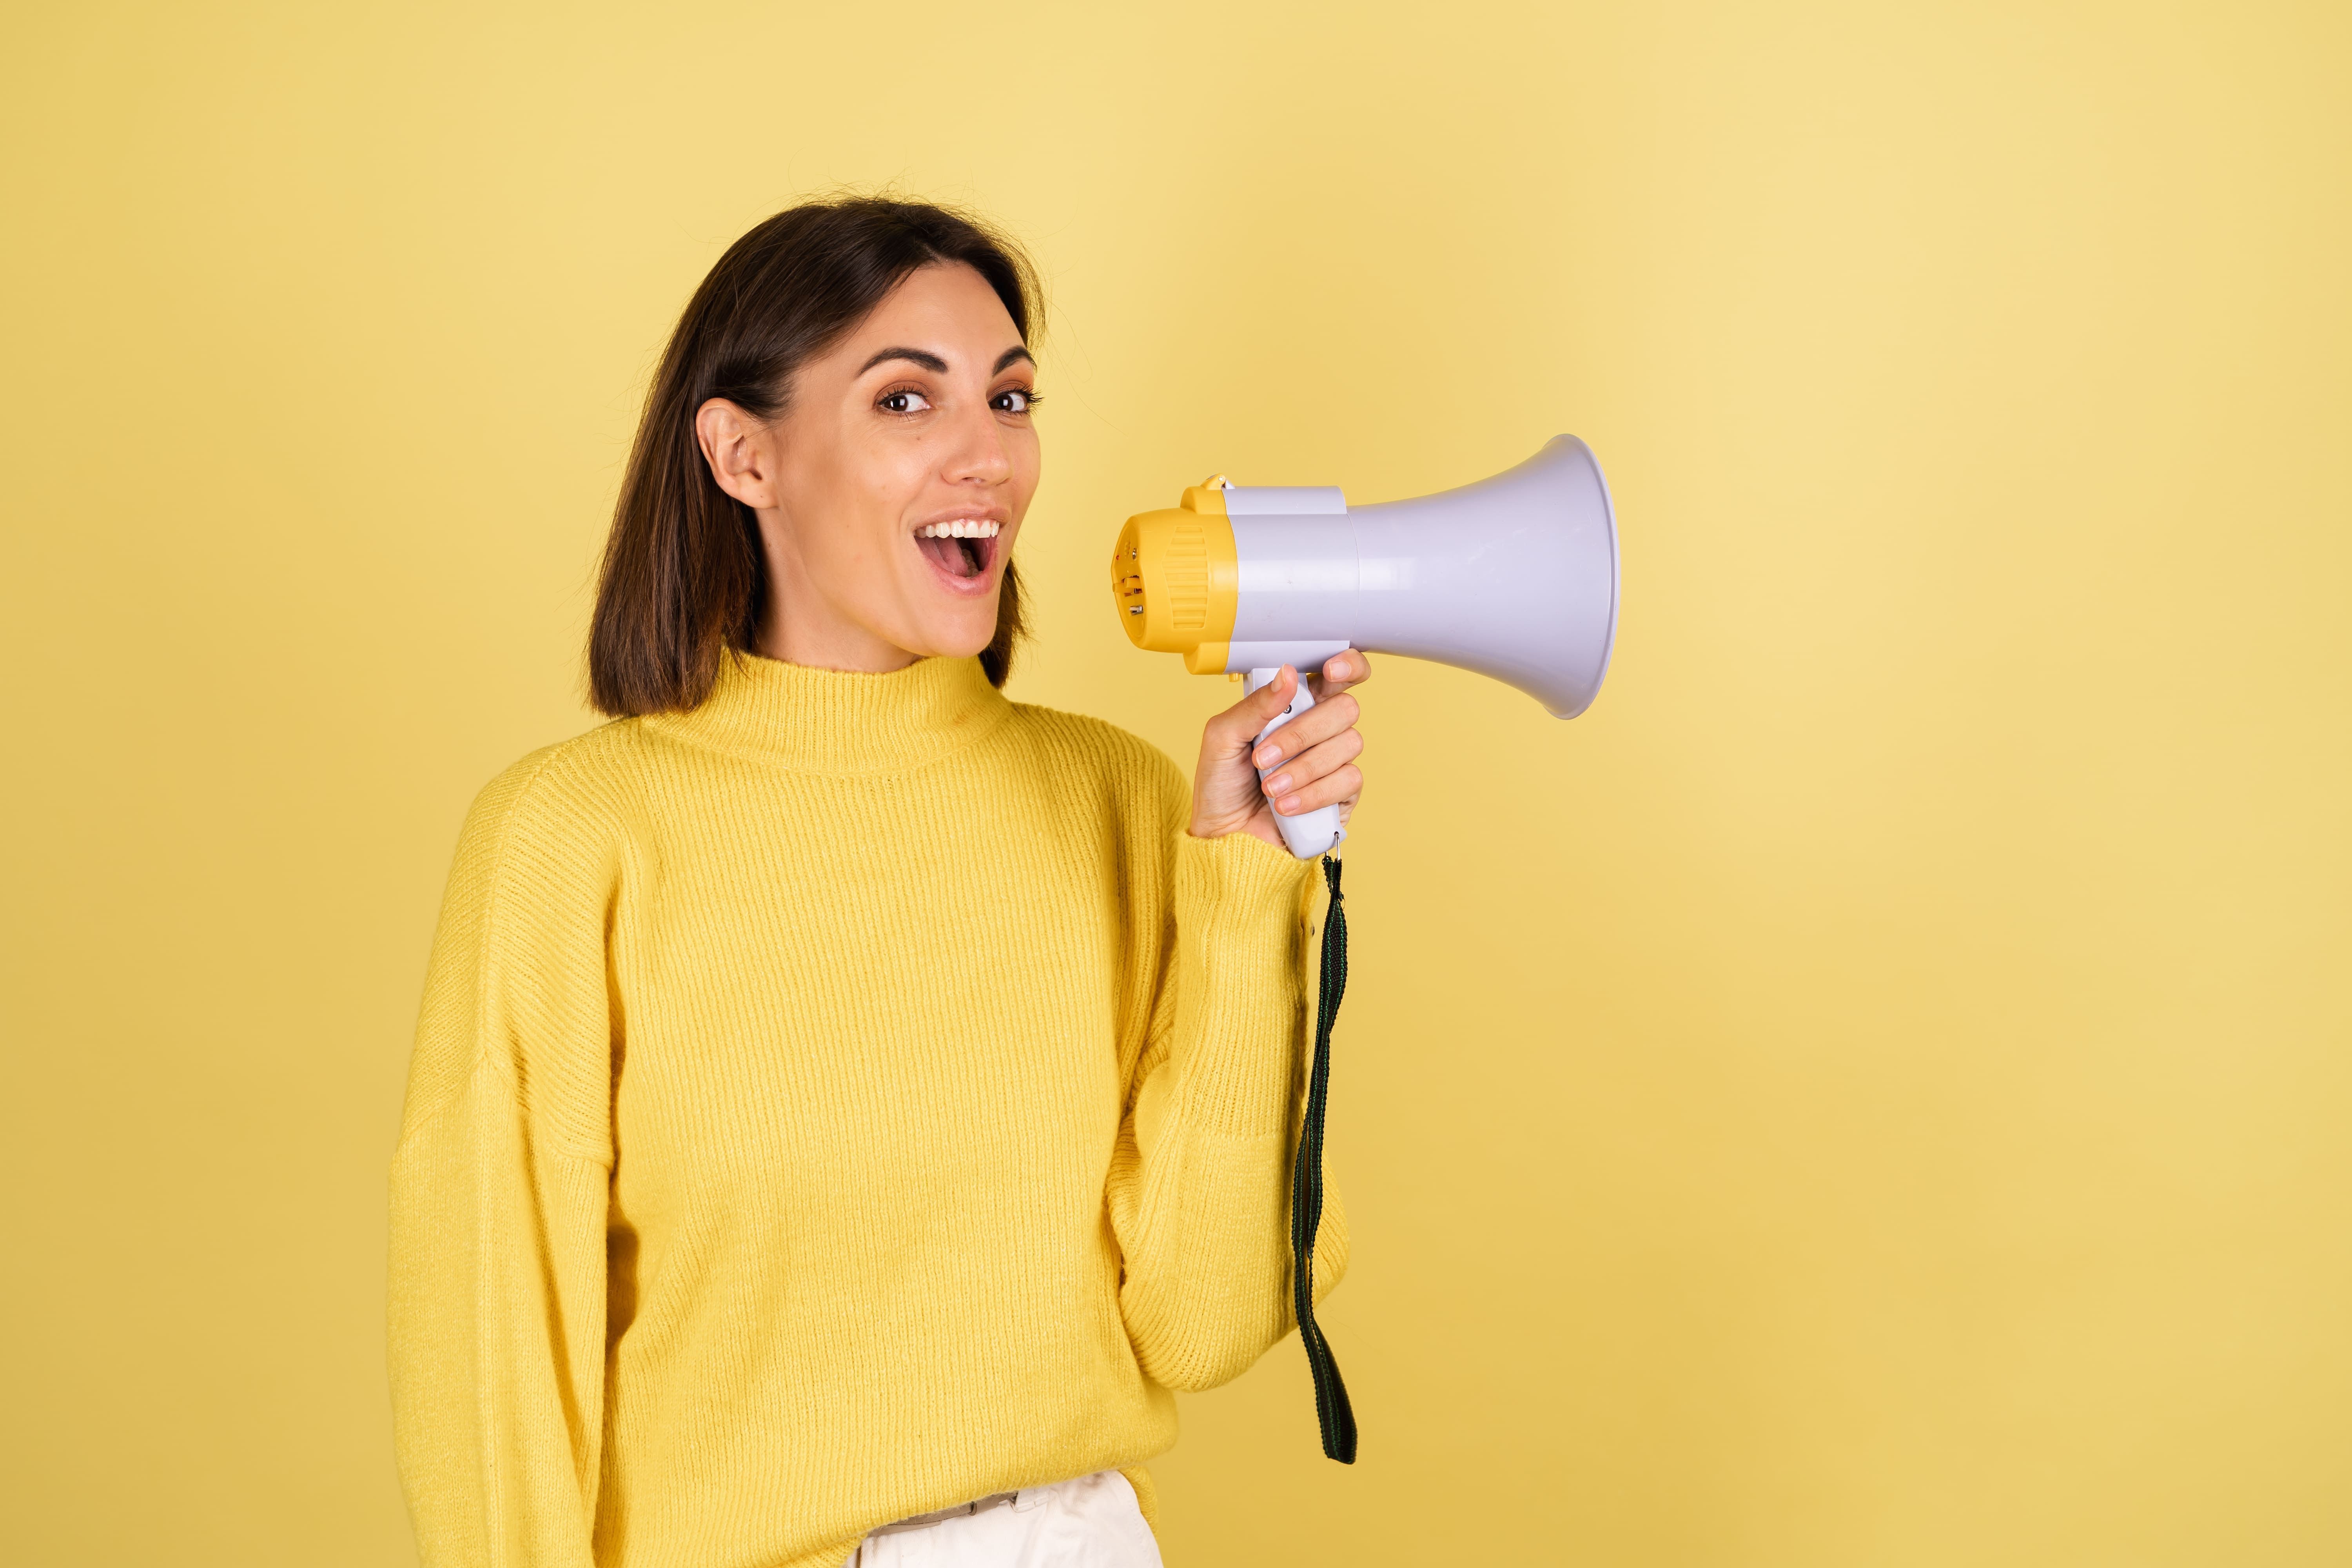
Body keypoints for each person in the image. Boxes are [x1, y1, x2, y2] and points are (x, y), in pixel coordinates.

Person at [387, 197, 1370, 1568]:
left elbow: (1201, 1325)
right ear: (744, 455)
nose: (989, 456)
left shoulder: (1130, 803)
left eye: (1011, 397)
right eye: (907, 400)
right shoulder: (570, 839)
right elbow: (493, 1360)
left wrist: (1249, 883)